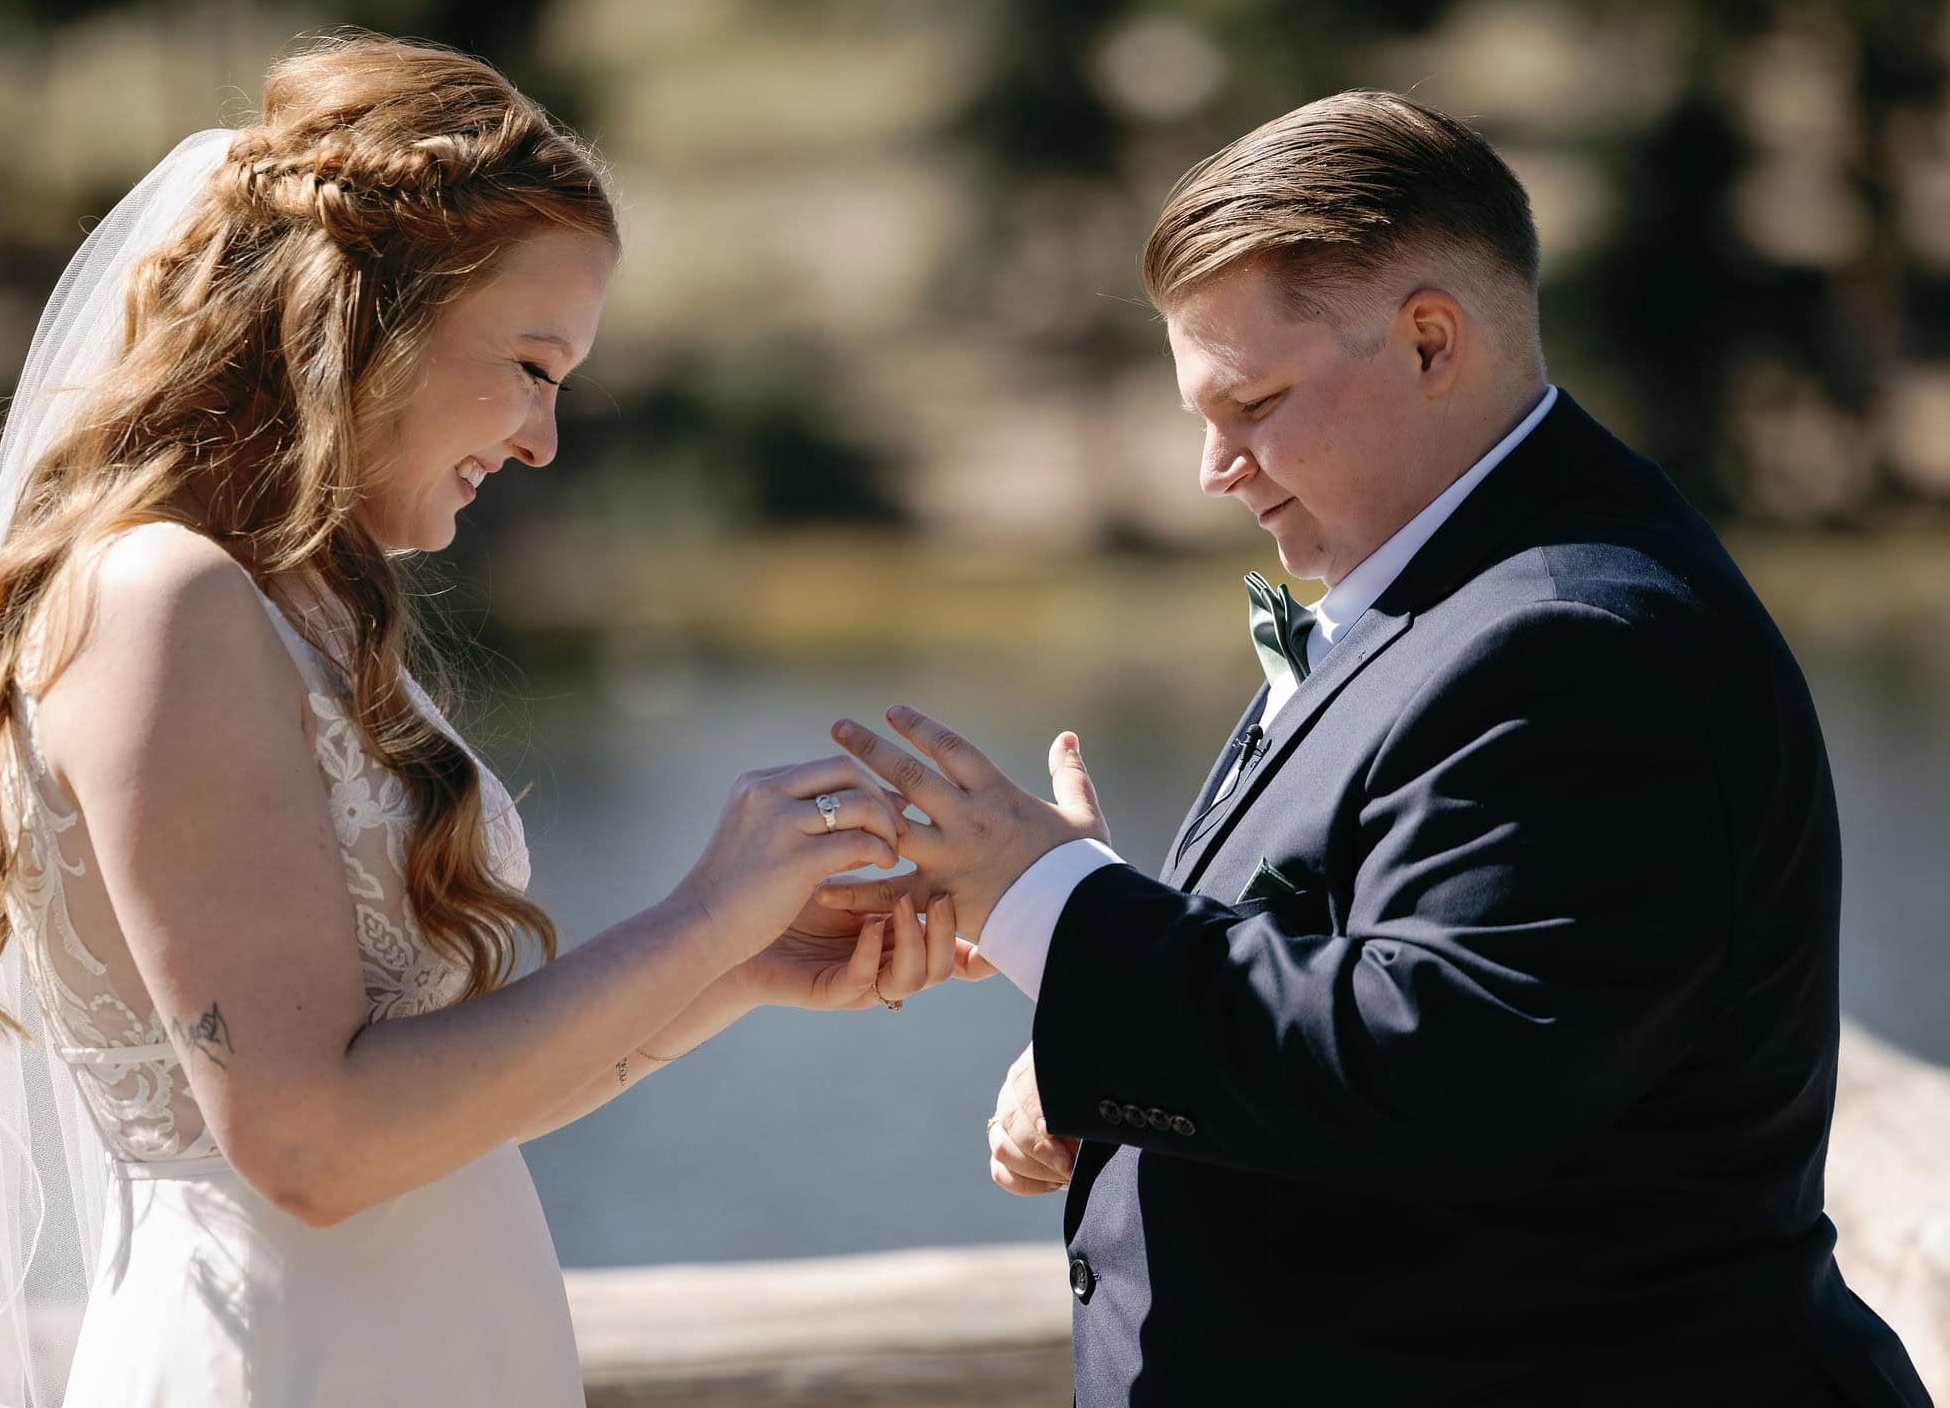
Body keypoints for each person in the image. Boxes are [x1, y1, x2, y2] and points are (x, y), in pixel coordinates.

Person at [0, 34, 975, 1408]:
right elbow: (309, 1146)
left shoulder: (304, 611)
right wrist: (704, 908)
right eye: (532, 363)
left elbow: (436, 1116)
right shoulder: (162, 598)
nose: (541, 438)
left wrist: (748, 968)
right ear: (368, 317)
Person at [823, 91, 1934, 1405]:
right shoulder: (1453, 590)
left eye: (1255, 402)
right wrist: (1104, 1011)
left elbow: (1445, 1070)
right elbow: (1366, 974)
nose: (1212, 468)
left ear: (1427, 342)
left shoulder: (1579, 639)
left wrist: (1061, 916)